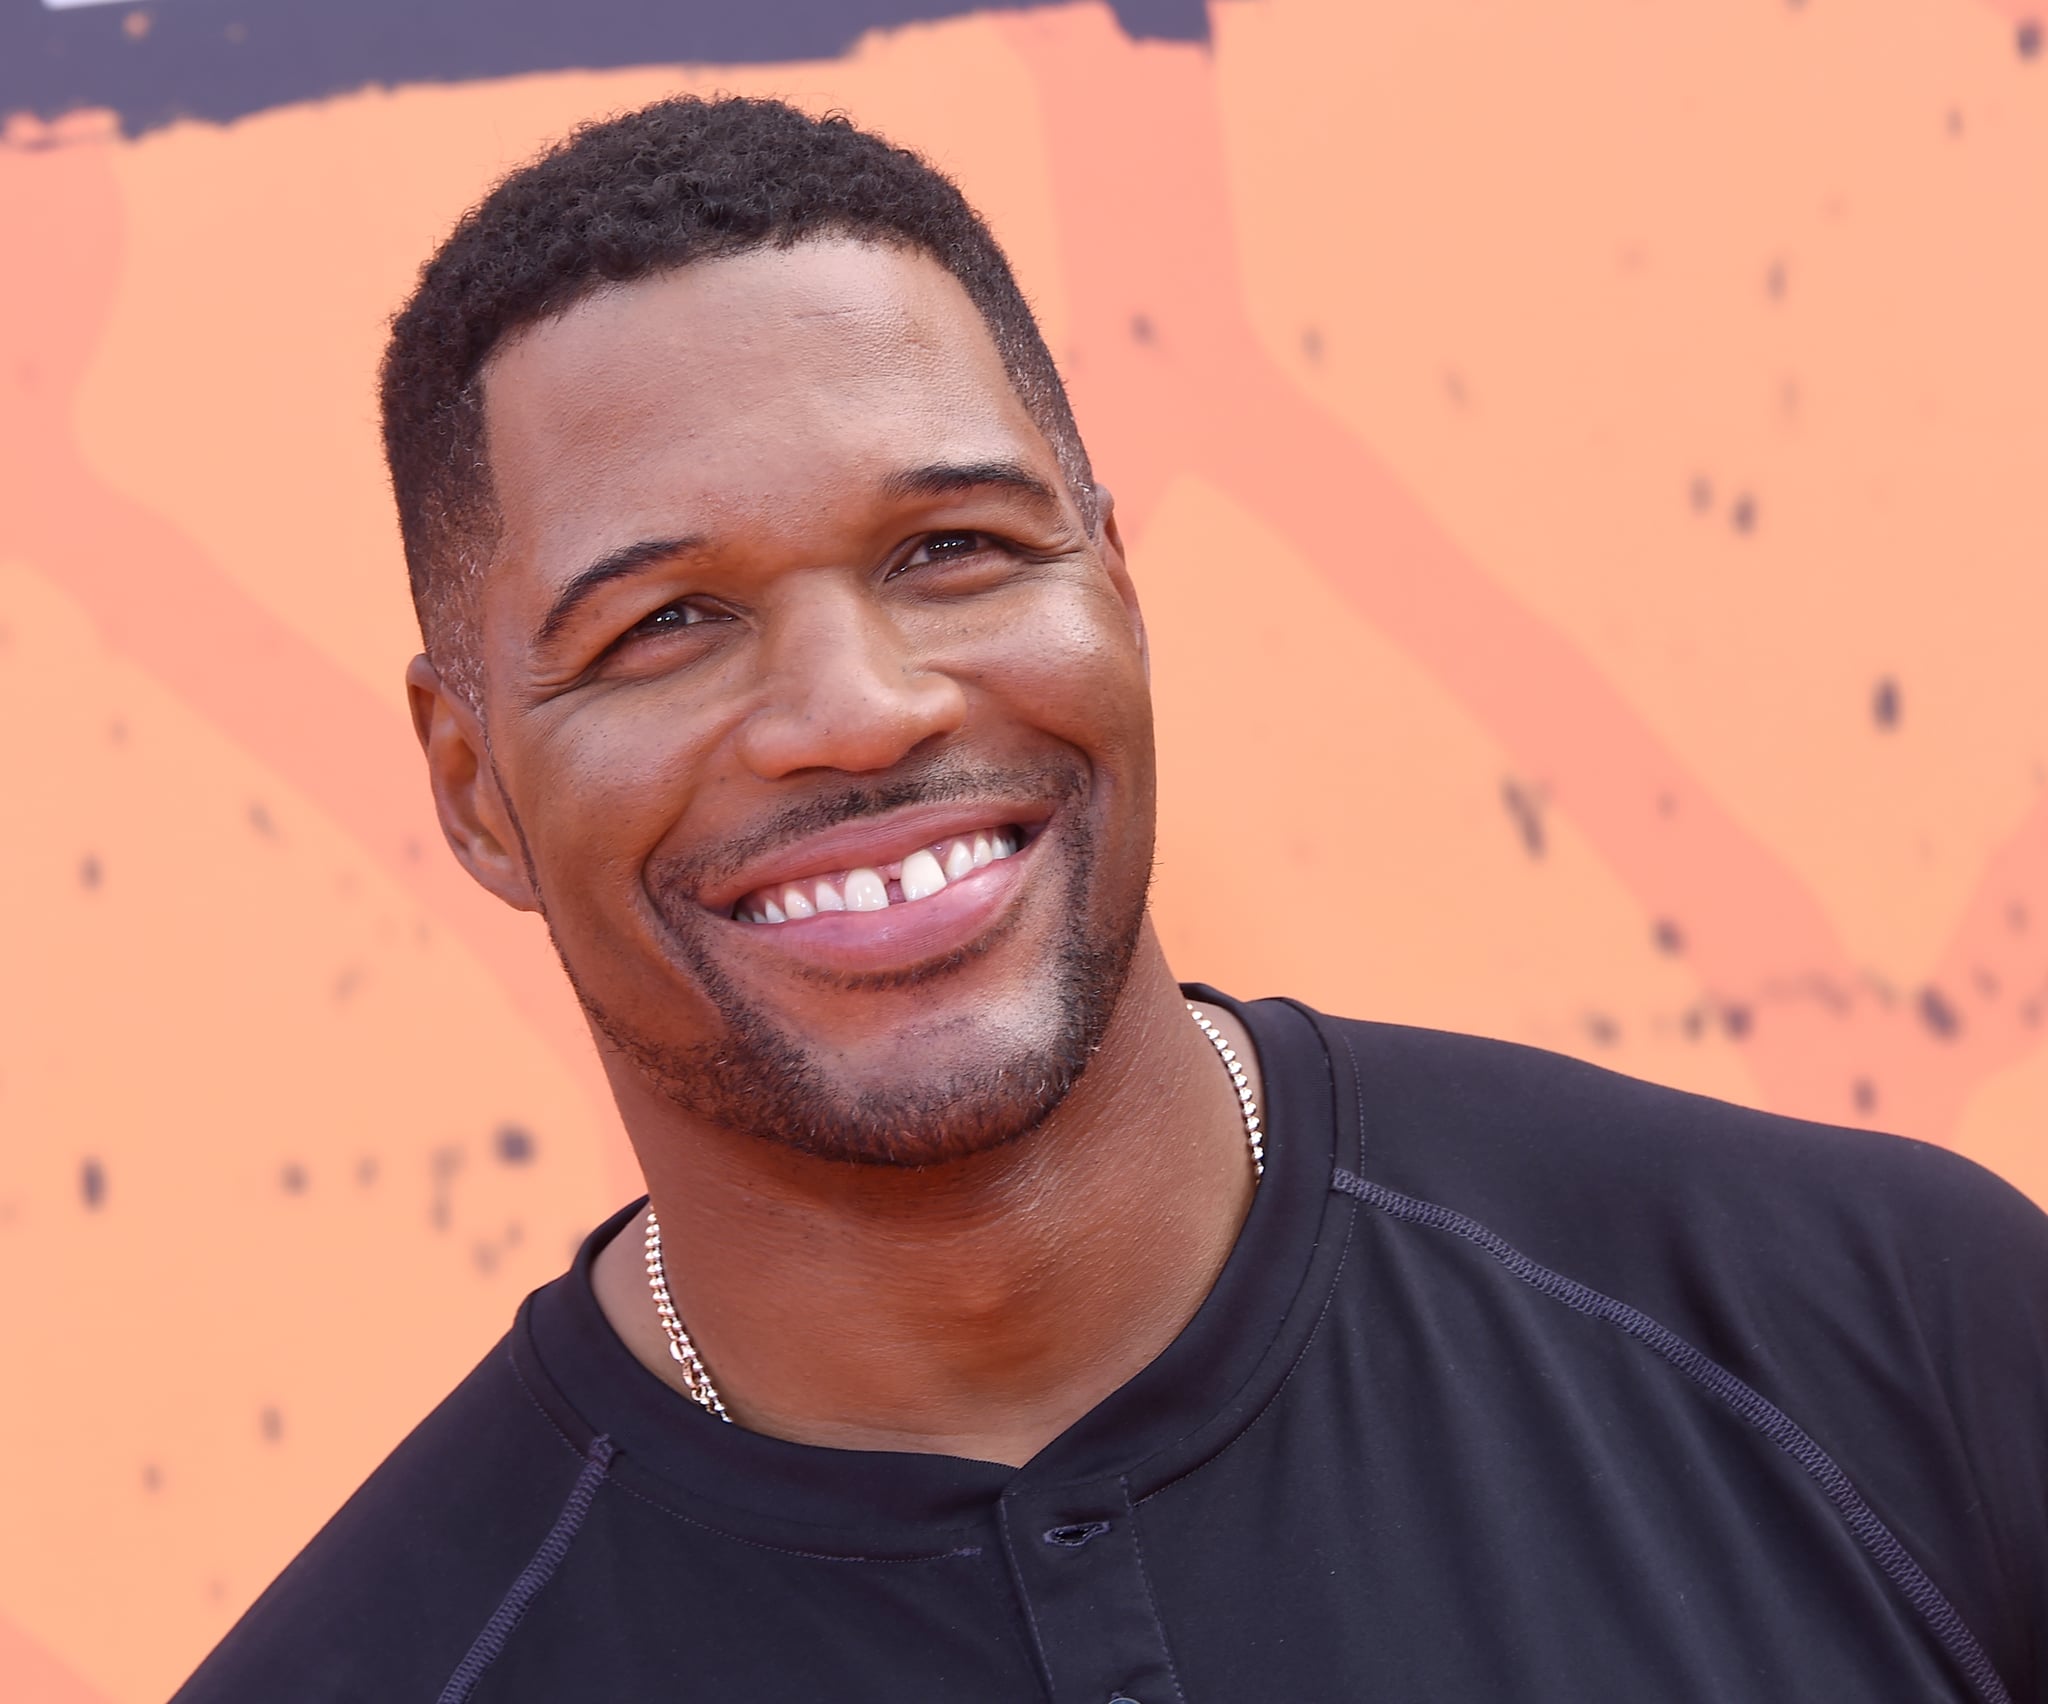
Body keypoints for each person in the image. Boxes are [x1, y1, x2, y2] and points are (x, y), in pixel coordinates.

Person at [172, 96, 2047, 1703]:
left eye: (955, 550)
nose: (860, 709)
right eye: (665, 623)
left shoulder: (1888, 1343)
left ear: (1119, 592)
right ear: (471, 782)